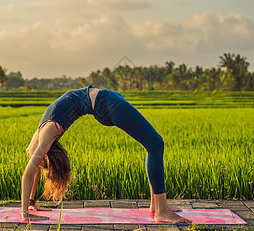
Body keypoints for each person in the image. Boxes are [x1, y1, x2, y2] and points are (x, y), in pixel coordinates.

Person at [21, 85, 191, 223]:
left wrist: (26, 208)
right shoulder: (42, 132)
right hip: (106, 102)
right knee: (155, 144)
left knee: (154, 145)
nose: (38, 165)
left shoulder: (45, 136)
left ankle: (157, 206)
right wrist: (28, 206)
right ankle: (161, 210)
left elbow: (30, 172)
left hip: (106, 102)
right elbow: (32, 170)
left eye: (42, 164)